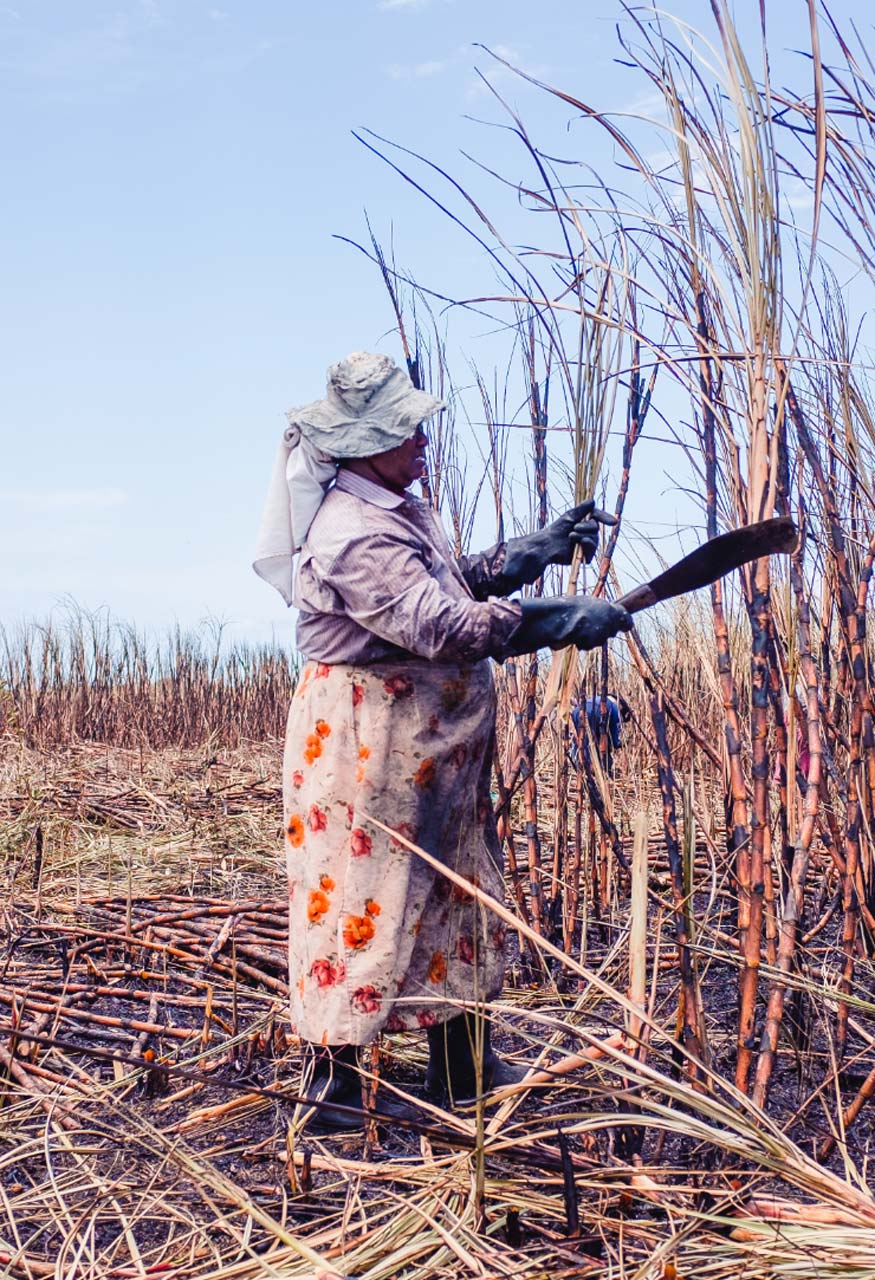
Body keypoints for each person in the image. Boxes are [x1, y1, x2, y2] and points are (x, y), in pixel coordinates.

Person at [254, 351, 632, 1128]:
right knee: (360, 904)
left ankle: (461, 1070)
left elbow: (439, 585)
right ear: (362, 444)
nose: (423, 441)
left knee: (455, 894)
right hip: (371, 748)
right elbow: (437, 624)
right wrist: (554, 618)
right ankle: (331, 1099)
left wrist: (523, 554)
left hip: (427, 749)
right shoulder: (349, 531)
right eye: (406, 431)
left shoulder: (391, 506)